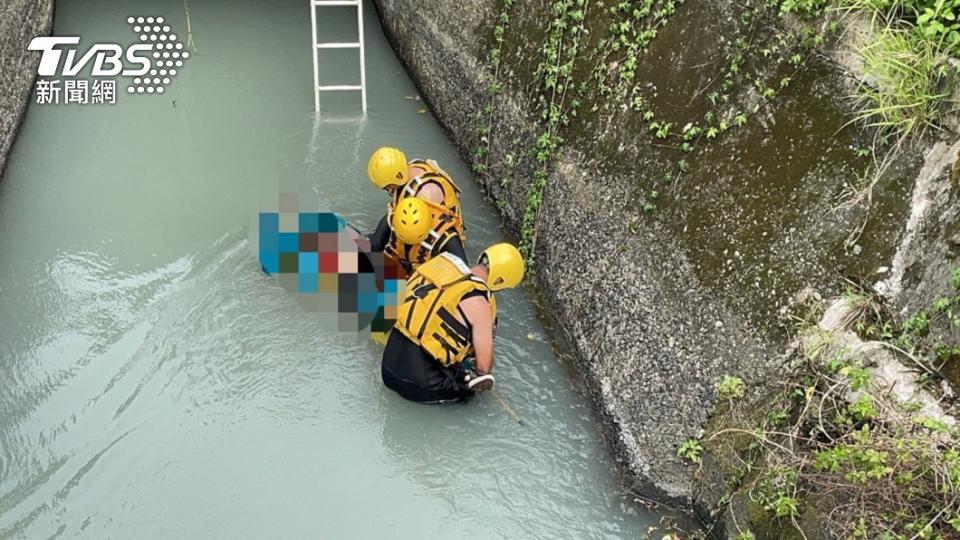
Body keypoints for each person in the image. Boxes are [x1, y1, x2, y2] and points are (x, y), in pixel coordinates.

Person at [381, 243, 525, 403]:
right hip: (420, 383)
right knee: (472, 398)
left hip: (387, 366)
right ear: (499, 281)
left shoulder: (439, 267)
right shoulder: (479, 302)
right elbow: (483, 367)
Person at [366, 146, 467, 273]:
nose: (389, 192)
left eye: (387, 187)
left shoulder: (425, 197)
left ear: (398, 176)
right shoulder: (411, 169)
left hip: (431, 242)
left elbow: (418, 227)